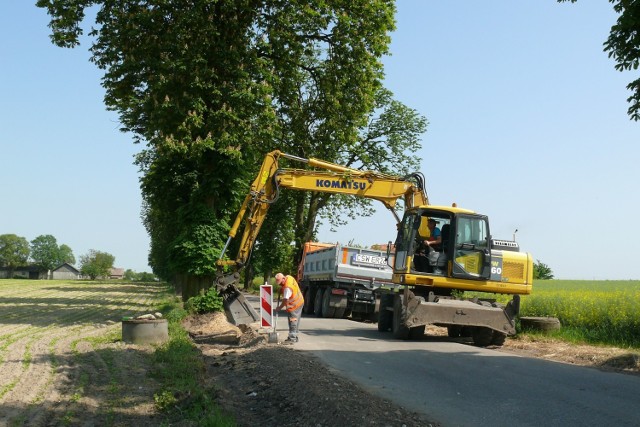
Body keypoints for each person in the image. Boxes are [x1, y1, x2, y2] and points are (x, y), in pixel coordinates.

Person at [275, 272, 305, 344]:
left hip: (294, 305)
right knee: (295, 321)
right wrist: (282, 288)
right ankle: (294, 336)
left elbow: (285, 300)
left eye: (280, 283)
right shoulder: (289, 277)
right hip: (300, 301)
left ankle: (292, 338)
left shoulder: (287, 288)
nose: (280, 284)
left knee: (293, 321)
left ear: (283, 279)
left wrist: (279, 307)